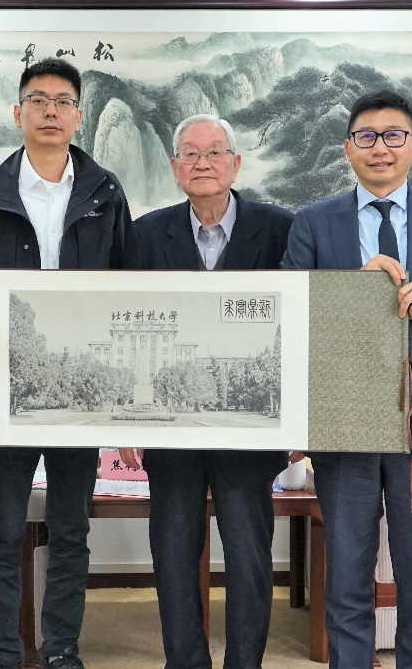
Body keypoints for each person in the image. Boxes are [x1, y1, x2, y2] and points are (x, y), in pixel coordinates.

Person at [281, 91, 412, 668]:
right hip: (345, 420)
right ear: (348, 148)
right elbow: (289, 311)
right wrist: (355, 286)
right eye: (366, 137)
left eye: (394, 135)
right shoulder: (313, 222)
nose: (381, 148)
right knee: (347, 578)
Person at [0, 57, 137, 669]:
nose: (51, 111)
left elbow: (125, 286)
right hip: (5, 386)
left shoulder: (106, 191)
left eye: (63, 102)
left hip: (82, 388)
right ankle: (3, 653)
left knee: (70, 531)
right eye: (38, 100)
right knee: (1, 533)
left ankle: (61, 649)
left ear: (79, 116)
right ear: (18, 113)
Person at [119, 114, 293, 669]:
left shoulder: (281, 229)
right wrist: (121, 420)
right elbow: (121, 318)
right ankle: (185, 661)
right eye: (190, 154)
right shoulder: (146, 234)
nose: (202, 163)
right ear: (175, 168)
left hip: (251, 428)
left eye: (214, 152)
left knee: (248, 556)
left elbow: (302, 326)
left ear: (235, 164)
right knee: (173, 554)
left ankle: (245, 662)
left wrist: (299, 420)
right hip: (169, 426)